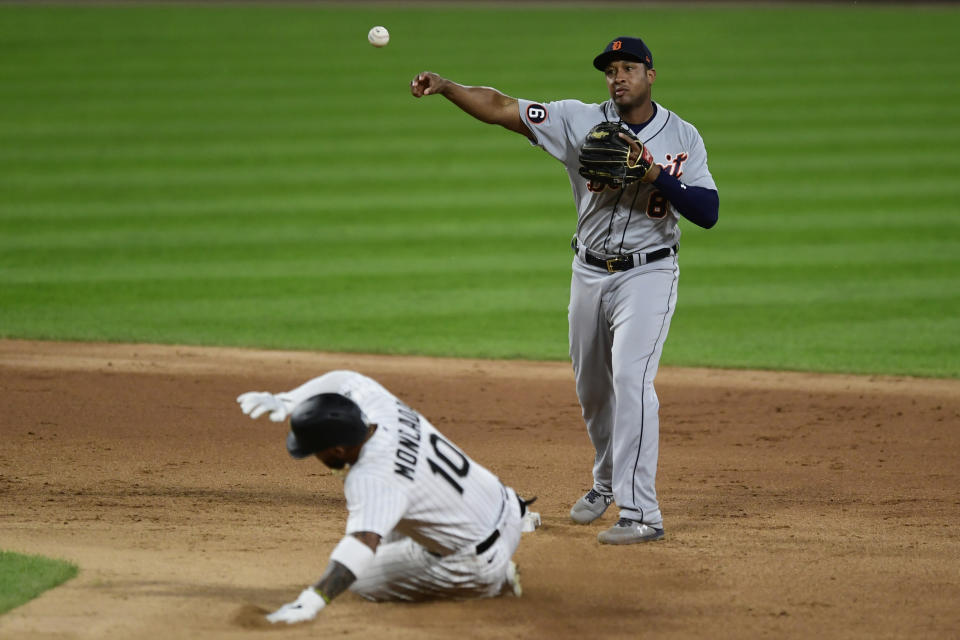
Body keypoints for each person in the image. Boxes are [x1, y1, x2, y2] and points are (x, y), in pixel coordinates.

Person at [411, 36, 718, 545]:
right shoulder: (577, 119)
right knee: (592, 390)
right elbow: (503, 107)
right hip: (588, 272)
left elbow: (707, 212)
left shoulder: (683, 135)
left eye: (628, 68)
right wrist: (446, 87)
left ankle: (642, 512)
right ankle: (605, 481)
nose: (618, 77)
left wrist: (655, 172)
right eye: (610, 69)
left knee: (632, 379)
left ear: (650, 74)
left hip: (650, 273)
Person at [236, 370, 539, 624]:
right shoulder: (380, 407)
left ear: (338, 450)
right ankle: (495, 556)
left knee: (364, 580)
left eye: (315, 451)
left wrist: (312, 600)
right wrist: (289, 400)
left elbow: (361, 543)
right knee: (401, 509)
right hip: (508, 509)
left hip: (477, 563)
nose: (314, 456)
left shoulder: (371, 477)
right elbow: (346, 379)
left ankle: (499, 582)